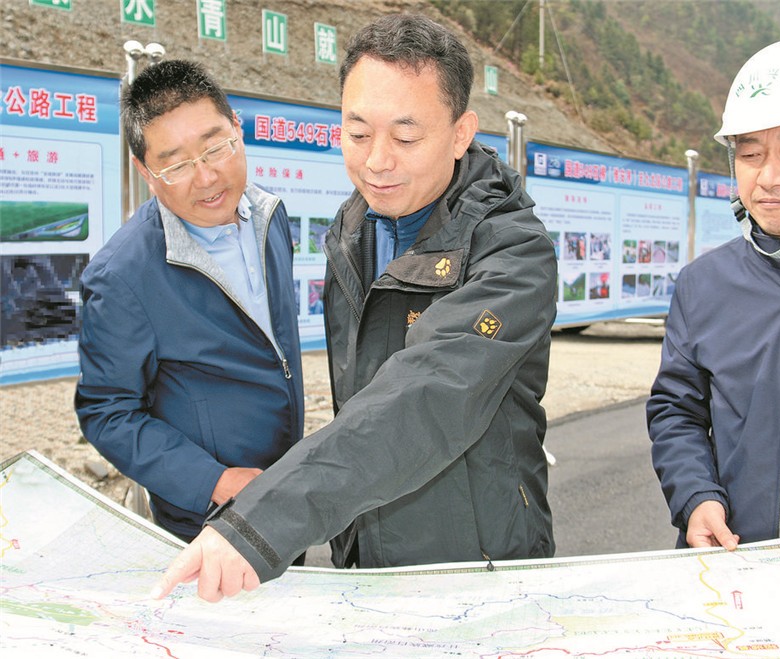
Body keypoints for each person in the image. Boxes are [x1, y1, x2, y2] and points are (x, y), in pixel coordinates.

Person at [152, 13, 557, 602]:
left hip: (477, 569)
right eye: (358, 134)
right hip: (365, 557)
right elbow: (358, 403)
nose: (377, 161)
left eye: (406, 138)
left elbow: (426, 397)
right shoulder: (351, 231)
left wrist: (262, 521)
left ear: (460, 133)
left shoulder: (513, 252)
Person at [75, 60, 304, 543]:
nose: (206, 177)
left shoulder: (270, 216)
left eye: (215, 147)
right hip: (207, 519)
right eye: (176, 164)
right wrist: (214, 481)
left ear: (237, 128)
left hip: (287, 489)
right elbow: (107, 411)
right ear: (145, 171)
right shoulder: (122, 277)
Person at [647, 36, 780, 553]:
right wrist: (695, 497)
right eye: (750, 153)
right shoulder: (703, 284)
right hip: (731, 570)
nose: (768, 177)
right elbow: (676, 411)